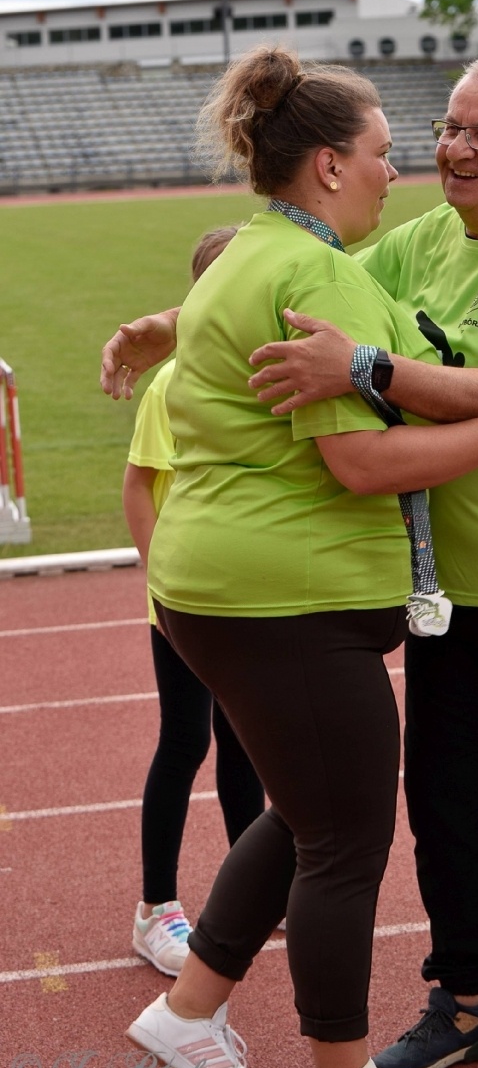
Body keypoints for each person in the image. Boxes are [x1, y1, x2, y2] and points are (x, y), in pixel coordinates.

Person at [107, 46, 478, 1068]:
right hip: (284, 598)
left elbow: (241, 328)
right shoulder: (314, 270)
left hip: (229, 588)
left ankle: (190, 1015)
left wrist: (159, 323)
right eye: (382, 151)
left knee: (304, 811)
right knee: (344, 844)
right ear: (328, 164)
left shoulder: (255, 247)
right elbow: (363, 461)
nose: (395, 170)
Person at [124, 225, 266, 978]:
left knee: (246, 745)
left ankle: (251, 892)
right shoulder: (173, 382)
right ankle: (156, 908)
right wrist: (161, 576)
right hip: (184, 599)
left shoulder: (267, 376)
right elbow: (140, 484)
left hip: (246, 600)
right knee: (186, 741)